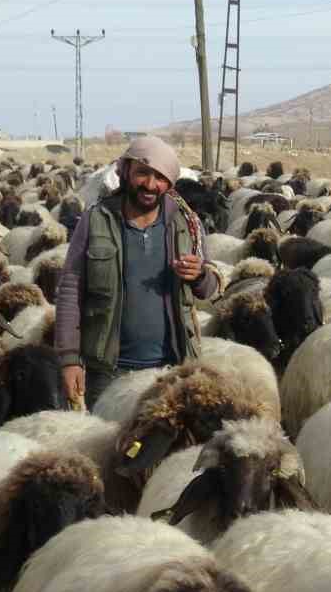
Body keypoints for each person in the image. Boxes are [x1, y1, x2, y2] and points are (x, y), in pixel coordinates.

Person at [55, 135, 221, 409]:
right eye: (142, 173)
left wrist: (200, 275)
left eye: (160, 177)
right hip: (109, 371)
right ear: (125, 172)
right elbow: (70, 289)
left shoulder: (187, 223)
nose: (150, 184)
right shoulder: (96, 220)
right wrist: (69, 358)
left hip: (171, 368)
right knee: (108, 446)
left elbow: (209, 288)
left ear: (170, 183)